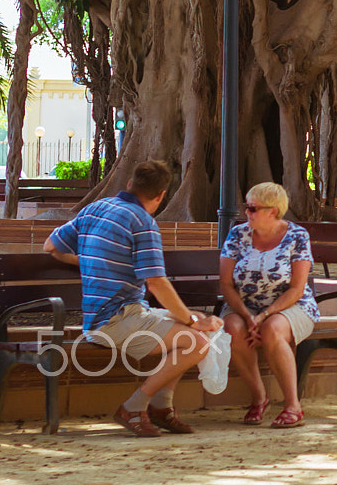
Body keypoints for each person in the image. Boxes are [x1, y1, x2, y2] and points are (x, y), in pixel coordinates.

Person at [44, 160, 223, 437]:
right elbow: (156, 283)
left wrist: (90, 260)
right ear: (161, 196)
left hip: (101, 319)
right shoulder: (142, 222)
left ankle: (162, 408)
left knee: (191, 328)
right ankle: (134, 407)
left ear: (129, 183)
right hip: (116, 320)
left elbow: (51, 247)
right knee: (196, 341)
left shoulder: (95, 208)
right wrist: (190, 319)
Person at [219, 182, 319, 428]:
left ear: (272, 211)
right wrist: (247, 315)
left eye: (252, 208)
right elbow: (226, 283)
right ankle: (259, 397)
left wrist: (263, 315)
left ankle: (293, 405)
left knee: (272, 329)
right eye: (246, 207)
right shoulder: (238, 234)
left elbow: (296, 288)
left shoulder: (297, 236)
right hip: (244, 305)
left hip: (289, 306)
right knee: (232, 328)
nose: (246, 212)